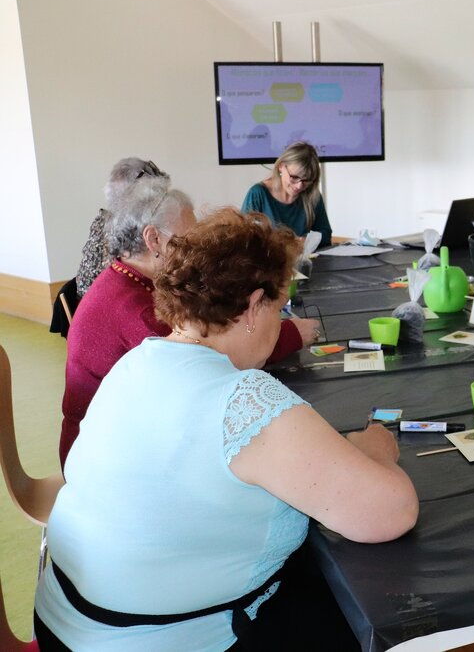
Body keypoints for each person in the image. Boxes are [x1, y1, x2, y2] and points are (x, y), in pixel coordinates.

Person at [35, 209, 419, 651]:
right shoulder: (245, 401)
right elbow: (392, 513)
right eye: (280, 306)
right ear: (255, 306)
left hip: (64, 623)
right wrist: (374, 451)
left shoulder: (135, 361)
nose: (280, 323)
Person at [59, 178, 321, 468]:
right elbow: (211, 358)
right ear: (153, 239)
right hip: (101, 458)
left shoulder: (127, 279)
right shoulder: (135, 308)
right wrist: (290, 335)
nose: (196, 252)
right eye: (188, 241)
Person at [50, 158, 168, 338]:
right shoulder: (118, 227)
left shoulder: (118, 221)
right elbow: (128, 279)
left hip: (102, 309)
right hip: (104, 321)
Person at [242, 141, 333, 243]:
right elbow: (244, 237)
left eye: (306, 180)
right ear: (281, 167)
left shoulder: (313, 195)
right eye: (294, 177)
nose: (299, 186)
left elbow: (325, 234)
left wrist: (305, 241)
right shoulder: (258, 194)